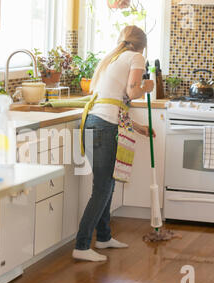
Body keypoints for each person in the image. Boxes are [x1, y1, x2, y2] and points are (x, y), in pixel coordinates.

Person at [73, 25, 155, 262]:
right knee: (103, 187)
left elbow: (114, 103)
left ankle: (104, 237)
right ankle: (81, 245)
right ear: (143, 44)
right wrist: (146, 87)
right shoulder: (136, 57)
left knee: (106, 184)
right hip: (104, 127)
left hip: (94, 123)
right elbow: (133, 91)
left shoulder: (113, 58)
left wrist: (138, 128)